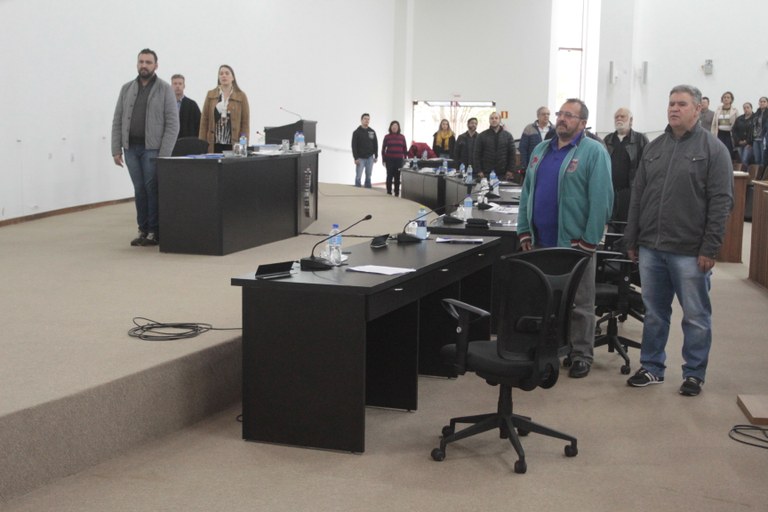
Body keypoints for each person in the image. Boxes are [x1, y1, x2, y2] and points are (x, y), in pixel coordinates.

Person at [625, 84, 733, 397]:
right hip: (651, 247)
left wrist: (710, 247)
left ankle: (694, 374)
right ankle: (652, 367)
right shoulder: (654, 147)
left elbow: (722, 202)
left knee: (696, 316)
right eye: (671, 103)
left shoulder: (714, 150)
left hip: (690, 251)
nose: (674, 108)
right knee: (654, 314)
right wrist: (632, 238)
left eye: (681, 104)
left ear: (698, 109)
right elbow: (638, 196)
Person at [517, 99, 613, 379]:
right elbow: (527, 192)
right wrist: (524, 229)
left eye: (569, 115)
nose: (562, 119)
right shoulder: (541, 150)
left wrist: (589, 241)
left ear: (582, 123)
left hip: (575, 244)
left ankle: (581, 354)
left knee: (580, 303)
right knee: (544, 301)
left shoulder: (594, 152)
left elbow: (602, 201)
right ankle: (549, 350)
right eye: (560, 113)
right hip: (540, 241)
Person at [111, 48, 179, 247]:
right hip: (131, 149)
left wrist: (164, 154)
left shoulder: (165, 89)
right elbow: (117, 119)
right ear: (137, 64)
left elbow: (173, 124)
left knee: (152, 189)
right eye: (141, 62)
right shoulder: (126, 89)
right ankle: (143, 229)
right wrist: (116, 148)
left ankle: (154, 231)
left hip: (153, 150)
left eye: (148, 62)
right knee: (139, 189)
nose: (144, 65)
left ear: (156, 66)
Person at [603, 108, 649, 222]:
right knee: (610, 224)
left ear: (631, 120)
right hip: (610, 191)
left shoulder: (641, 139)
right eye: (616, 117)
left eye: (622, 116)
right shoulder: (607, 140)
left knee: (629, 224)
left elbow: (647, 167)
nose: (619, 118)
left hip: (631, 192)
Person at [199, 65, 250, 153]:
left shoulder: (241, 96)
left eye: (227, 73)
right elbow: (204, 121)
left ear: (232, 77)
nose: (224, 76)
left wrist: (243, 145)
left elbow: (245, 124)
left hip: (233, 144)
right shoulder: (210, 95)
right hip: (214, 144)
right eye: (221, 74)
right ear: (218, 77)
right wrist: (201, 144)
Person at [474, 112, 516, 179]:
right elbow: (476, 155)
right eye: (492, 118)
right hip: (486, 173)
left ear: (500, 120)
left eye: (496, 118)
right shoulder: (482, 136)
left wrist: (510, 170)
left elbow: (512, 155)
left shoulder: (508, 136)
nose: (494, 120)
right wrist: (479, 170)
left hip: (503, 174)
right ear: (489, 120)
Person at [351, 113, 378, 188]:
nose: (367, 120)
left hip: (370, 157)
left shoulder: (372, 131)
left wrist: (376, 156)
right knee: (358, 175)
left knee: (369, 175)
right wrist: (356, 158)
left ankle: (368, 188)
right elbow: (354, 146)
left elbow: (375, 144)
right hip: (360, 158)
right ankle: (357, 188)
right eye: (365, 119)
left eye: (368, 119)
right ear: (361, 120)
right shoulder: (356, 132)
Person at [381, 120, 407, 196]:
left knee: (397, 177)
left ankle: (396, 193)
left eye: (396, 126)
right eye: (393, 126)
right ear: (390, 127)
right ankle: (389, 192)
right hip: (389, 160)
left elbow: (405, 149)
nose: (394, 127)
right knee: (389, 176)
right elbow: (383, 149)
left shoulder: (402, 137)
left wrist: (405, 159)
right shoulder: (387, 137)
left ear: (398, 127)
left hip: (399, 160)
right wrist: (383, 160)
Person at [171, 74, 201, 139]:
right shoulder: (166, 104)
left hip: (187, 142)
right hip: (170, 141)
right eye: (175, 84)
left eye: (180, 84)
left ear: (184, 86)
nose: (177, 86)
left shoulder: (192, 105)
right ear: (171, 86)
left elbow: (199, 125)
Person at [710, 91, 738, 157]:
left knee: (728, 150)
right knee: (719, 149)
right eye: (724, 97)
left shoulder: (735, 110)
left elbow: (737, 123)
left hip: (729, 133)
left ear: (731, 99)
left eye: (728, 97)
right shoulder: (718, 109)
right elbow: (714, 123)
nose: (726, 99)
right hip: (719, 133)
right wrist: (712, 134)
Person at [732, 102, 755, 171]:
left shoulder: (755, 118)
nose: (746, 109)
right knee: (742, 160)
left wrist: (748, 142)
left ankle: (746, 174)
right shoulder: (739, 119)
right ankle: (743, 174)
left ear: (751, 108)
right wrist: (738, 141)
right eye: (744, 108)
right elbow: (734, 130)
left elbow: (754, 131)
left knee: (745, 159)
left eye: (748, 107)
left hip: (749, 144)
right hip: (740, 144)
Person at [752, 97, 768, 169]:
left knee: (763, 158)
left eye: (764, 102)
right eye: (761, 102)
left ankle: (763, 174)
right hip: (756, 138)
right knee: (757, 158)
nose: (762, 103)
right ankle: (758, 173)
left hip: (763, 138)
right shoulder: (756, 113)